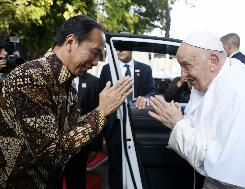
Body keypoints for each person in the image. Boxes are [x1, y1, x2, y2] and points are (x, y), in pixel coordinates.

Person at [0, 15, 133, 189]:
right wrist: (101, 112)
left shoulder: (67, 83)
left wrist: (102, 113)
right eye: (94, 52)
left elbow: (68, 131)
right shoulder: (31, 77)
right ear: (70, 42)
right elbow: (51, 153)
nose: (95, 62)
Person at [148, 31, 245, 189]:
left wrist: (177, 125)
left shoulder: (242, 94)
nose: (182, 75)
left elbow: (219, 164)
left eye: (186, 65)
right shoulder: (219, 78)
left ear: (213, 61)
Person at [99, 49, 156, 189]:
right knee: (115, 166)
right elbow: (100, 97)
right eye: (117, 47)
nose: (119, 50)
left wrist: (146, 98)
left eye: (123, 47)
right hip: (115, 126)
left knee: (137, 165)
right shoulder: (107, 69)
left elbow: (152, 91)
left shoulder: (145, 69)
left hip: (137, 127)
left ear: (131, 48)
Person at [64, 73, 102, 189]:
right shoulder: (53, 77)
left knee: (77, 180)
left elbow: (98, 114)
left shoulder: (94, 82)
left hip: (80, 143)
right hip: (54, 141)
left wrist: (95, 147)